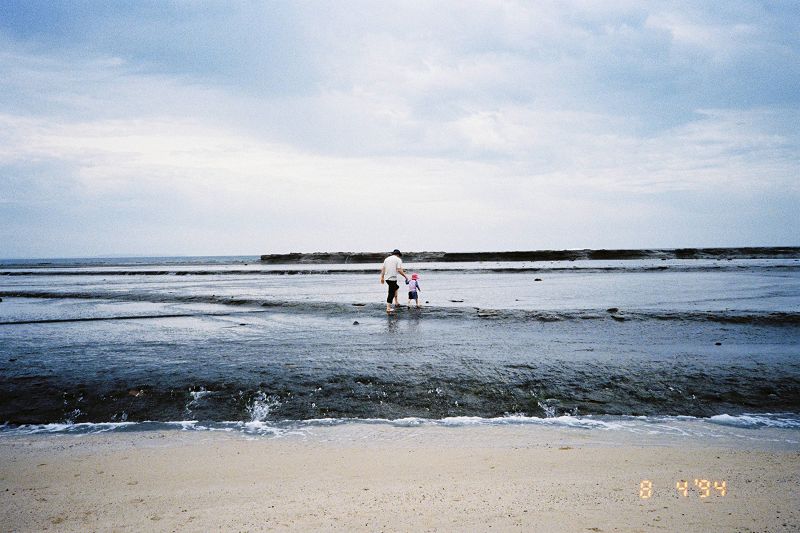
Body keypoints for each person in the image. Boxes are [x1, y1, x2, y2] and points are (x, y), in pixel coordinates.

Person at [380, 249, 408, 314]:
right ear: (398, 255)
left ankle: (396, 302)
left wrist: (382, 277)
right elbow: (399, 270)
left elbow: (383, 268)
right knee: (391, 292)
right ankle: (388, 308)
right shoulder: (398, 259)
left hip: (387, 278)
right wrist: (405, 276)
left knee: (396, 287)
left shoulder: (386, 259)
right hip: (392, 278)